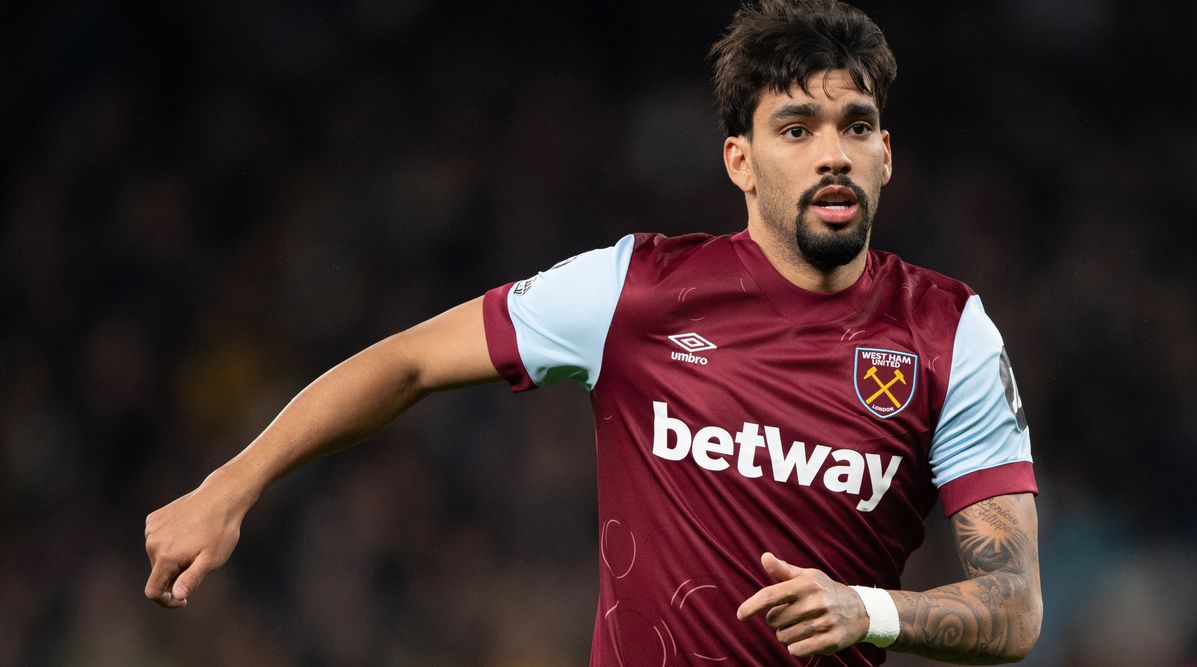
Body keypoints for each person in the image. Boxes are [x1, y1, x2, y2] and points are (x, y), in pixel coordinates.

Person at [144, 0, 1042, 664]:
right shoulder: (637, 289)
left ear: (886, 154)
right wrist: (234, 483)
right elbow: (410, 361)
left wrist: (870, 608)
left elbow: (1014, 604)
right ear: (741, 158)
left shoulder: (947, 334)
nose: (833, 152)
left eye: (857, 126)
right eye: (796, 128)